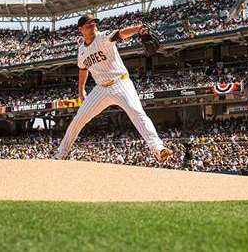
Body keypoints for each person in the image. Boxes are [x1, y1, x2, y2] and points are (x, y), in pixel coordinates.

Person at [56, 15, 172, 162]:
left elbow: (120, 33)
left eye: (94, 23)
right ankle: (61, 154)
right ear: (80, 29)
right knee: (79, 119)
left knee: (137, 112)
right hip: (101, 89)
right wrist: (81, 89)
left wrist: (138, 29)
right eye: (88, 24)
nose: (92, 25)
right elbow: (83, 69)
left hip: (121, 83)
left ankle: (158, 149)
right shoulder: (81, 50)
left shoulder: (102, 38)